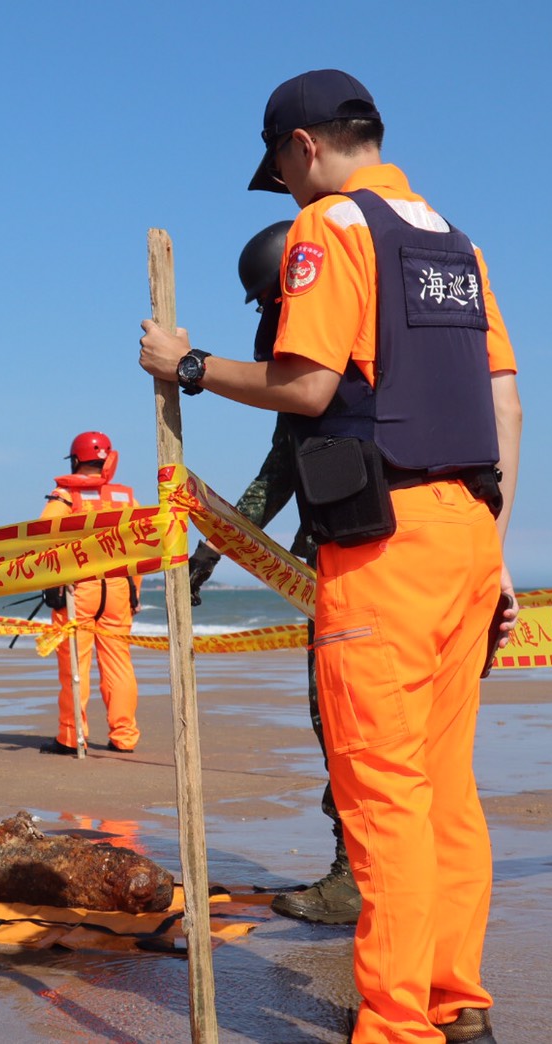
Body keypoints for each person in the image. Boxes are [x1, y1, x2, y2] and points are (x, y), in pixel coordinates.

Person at [140, 69, 521, 1044]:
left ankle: (396, 1026)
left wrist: (187, 366)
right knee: (445, 791)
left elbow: (305, 385)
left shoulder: (329, 229)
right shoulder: (452, 243)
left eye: (279, 165)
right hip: (469, 537)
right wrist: (496, 553)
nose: (284, 184)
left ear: (301, 147)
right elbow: (504, 401)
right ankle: (456, 1000)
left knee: (381, 795)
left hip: (383, 550)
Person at [188, 220, 361, 927]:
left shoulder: (319, 371)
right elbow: (280, 474)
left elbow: (276, 478)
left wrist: (210, 554)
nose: (266, 324)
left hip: (351, 568)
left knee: (344, 719)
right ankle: (385, 870)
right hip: (398, 554)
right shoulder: (362, 359)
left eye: (267, 307)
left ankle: (357, 877)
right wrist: (209, 552)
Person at [40, 432, 142, 754]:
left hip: (79, 589)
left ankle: (71, 738)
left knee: (75, 665)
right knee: (119, 666)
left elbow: (44, 539)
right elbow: (139, 548)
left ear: (75, 460)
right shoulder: (127, 499)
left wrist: (52, 587)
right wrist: (134, 594)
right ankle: (124, 738)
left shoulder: (65, 497)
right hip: (117, 589)